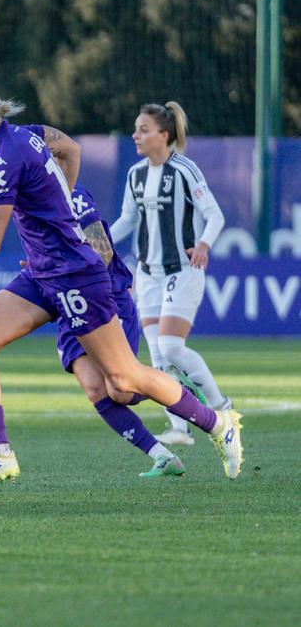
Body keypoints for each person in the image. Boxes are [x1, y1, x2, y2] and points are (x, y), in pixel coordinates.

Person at [0, 81, 243, 483]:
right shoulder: (30, 134)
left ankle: (218, 423)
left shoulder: (4, 161)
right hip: (42, 273)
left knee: (124, 380)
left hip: (74, 275)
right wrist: (61, 198)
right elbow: (72, 149)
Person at [111, 102, 230, 446]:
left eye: (143, 130)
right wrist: (92, 241)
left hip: (184, 270)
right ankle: (180, 428)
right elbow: (127, 220)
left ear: (164, 135)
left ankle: (223, 408)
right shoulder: (135, 174)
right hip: (147, 274)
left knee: (171, 346)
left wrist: (204, 245)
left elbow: (215, 215)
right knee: (157, 356)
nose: (136, 135)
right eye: (136, 129)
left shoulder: (184, 170)